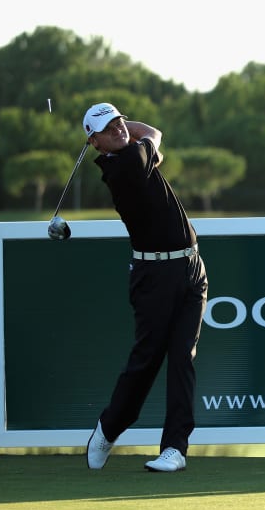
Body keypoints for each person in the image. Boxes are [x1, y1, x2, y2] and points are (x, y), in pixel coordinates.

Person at [82, 102, 208, 472]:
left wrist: (117, 123)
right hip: (154, 277)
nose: (120, 129)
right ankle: (108, 428)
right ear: (95, 143)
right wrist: (133, 131)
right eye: (109, 128)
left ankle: (175, 448)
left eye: (120, 122)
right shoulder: (119, 168)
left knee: (183, 357)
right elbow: (153, 133)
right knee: (146, 361)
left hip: (191, 268)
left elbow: (149, 137)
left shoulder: (133, 154)